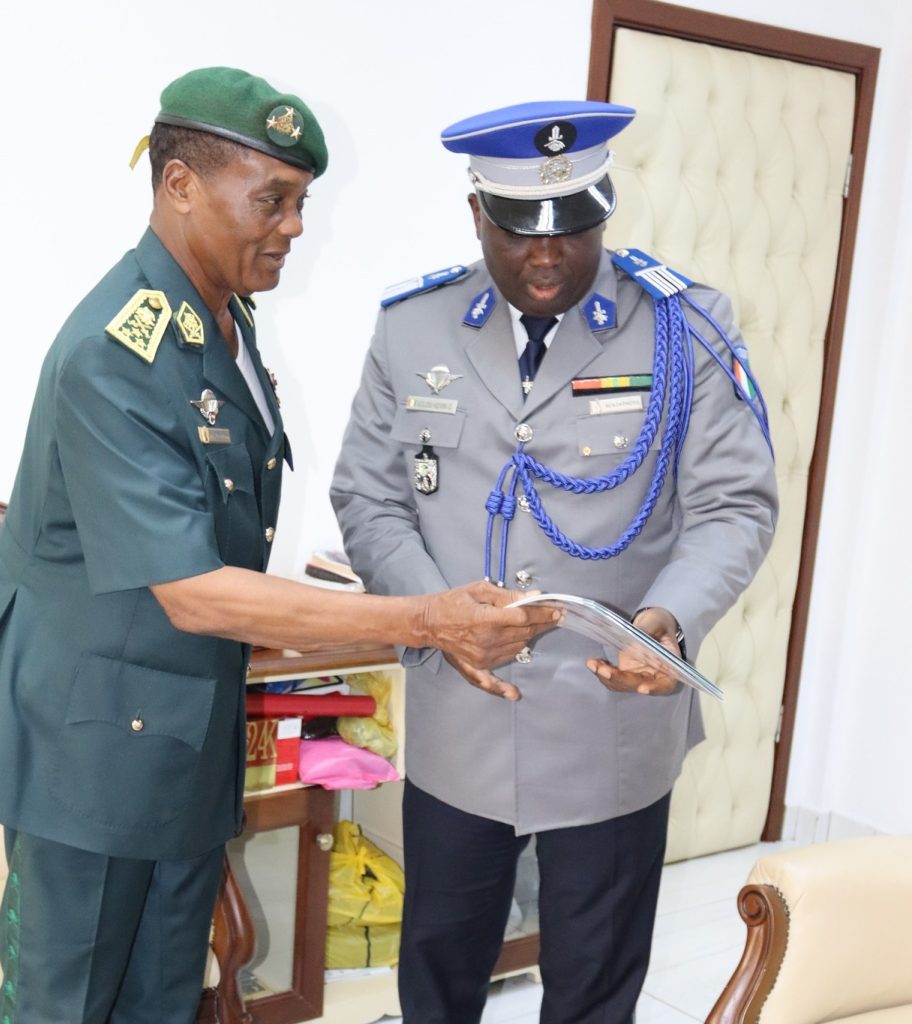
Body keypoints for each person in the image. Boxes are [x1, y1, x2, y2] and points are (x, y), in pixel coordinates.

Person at [0, 69, 558, 1024]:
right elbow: (191, 589)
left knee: (161, 998)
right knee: (64, 1007)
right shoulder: (117, 350)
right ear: (179, 184)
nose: (295, 225)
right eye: (271, 199)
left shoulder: (221, 321)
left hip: (180, 733)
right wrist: (423, 618)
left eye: (301, 201)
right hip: (88, 749)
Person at [330, 100, 778, 1023]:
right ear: (477, 216)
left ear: (605, 210)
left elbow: (734, 506)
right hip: (461, 718)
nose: (547, 256)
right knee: (439, 975)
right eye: (520, 230)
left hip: (613, 721)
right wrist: (432, 615)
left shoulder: (683, 327)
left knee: (594, 990)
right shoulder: (412, 328)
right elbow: (368, 498)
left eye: (573, 227)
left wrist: (670, 622)